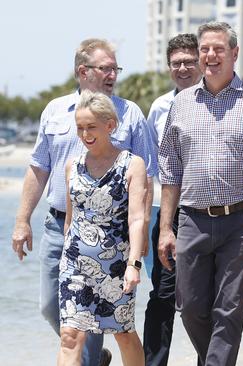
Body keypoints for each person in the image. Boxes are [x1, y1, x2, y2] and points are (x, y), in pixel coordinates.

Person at [11, 38, 157, 366]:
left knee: (116, 330)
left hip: (116, 243)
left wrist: (139, 244)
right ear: (83, 71)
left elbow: (146, 179)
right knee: (55, 312)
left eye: (115, 69)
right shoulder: (54, 112)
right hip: (65, 232)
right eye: (106, 68)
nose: (113, 74)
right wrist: (22, 220)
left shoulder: (129, 113)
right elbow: (38, 168)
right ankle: (94, 359)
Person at [157, 21, 243, 366]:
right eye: (205, 49)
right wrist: (166, 228)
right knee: (190, 307)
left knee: (228, 308)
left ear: (234, 53)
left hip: (242, 222)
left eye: (218, 49)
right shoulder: (181, 104)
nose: (210, 55)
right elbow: (170, 172)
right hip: (192, 221)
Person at [57, 89, 147, 366]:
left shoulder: (132, 164)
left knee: (123, 333)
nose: (85, 134)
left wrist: (134, 264)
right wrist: (65, 258)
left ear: (110, 125)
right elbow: (71, 219)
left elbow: (136, 218)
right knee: (70, 335)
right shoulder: (73, 165)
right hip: (75, 266)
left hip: (116, 267)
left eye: (91, 127)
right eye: (80, 128)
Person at [143, 33, 202, 366]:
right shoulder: (160, 108)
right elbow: (155, 166)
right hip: (169, 216)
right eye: (176, 63)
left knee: (202, 301)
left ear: (200, 62)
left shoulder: (221, 101)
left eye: (188, 61)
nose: (183, 68)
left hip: (211, 215)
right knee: (163, 295)